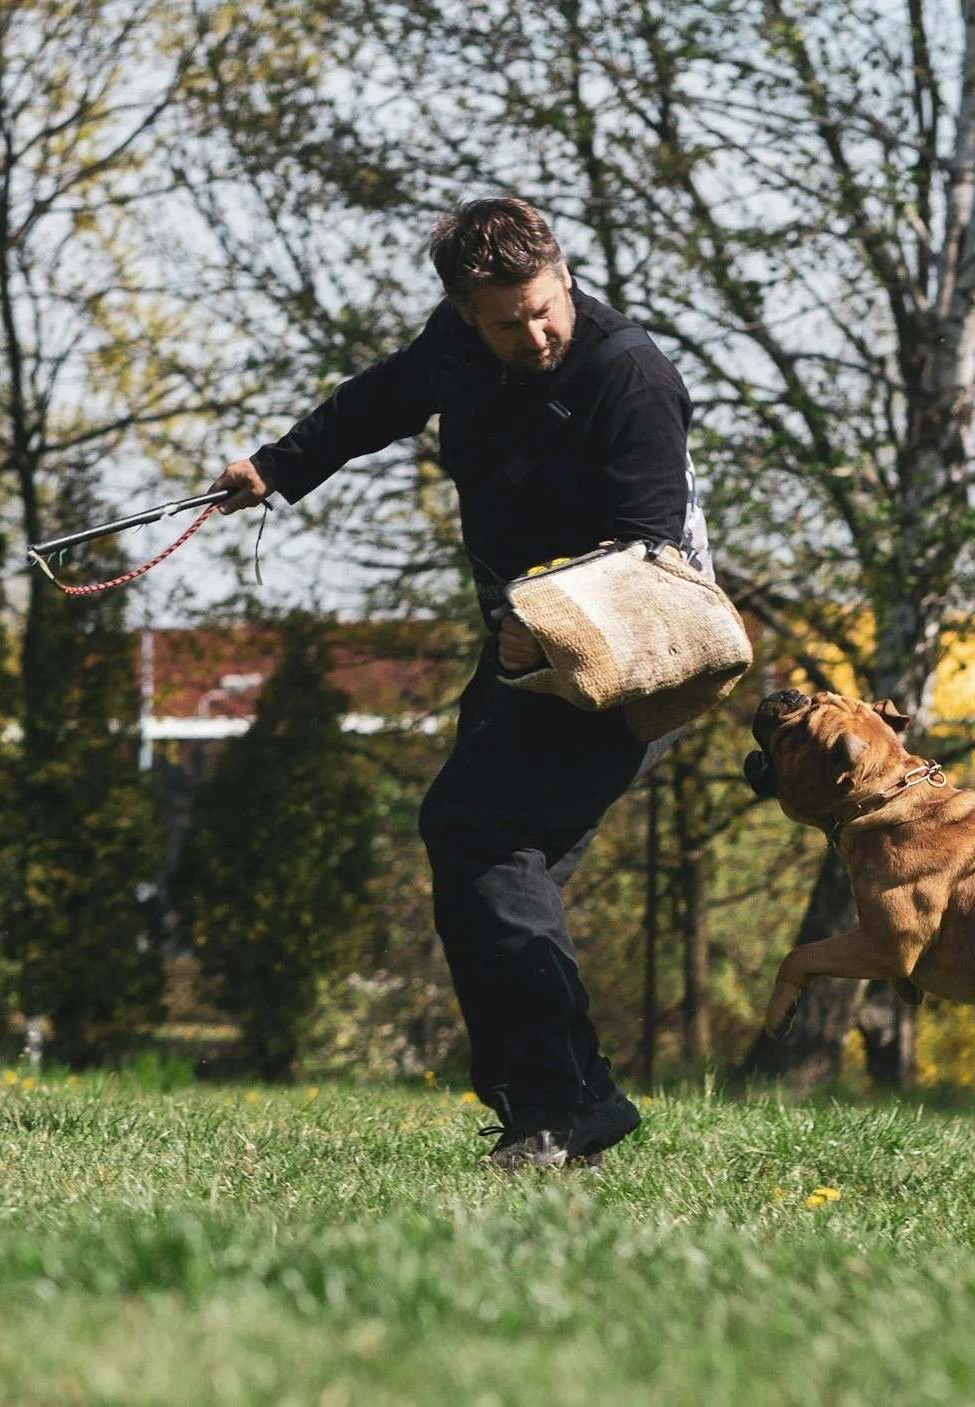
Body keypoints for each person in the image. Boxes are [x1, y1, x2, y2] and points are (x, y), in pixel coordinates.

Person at [210, 197, 704, 1170]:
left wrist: (537, 632)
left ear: (563, 275)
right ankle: (571, 1099)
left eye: (544, 307)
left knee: (480, 836)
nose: (536, 333)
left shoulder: (631, 376)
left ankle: (555, 1113)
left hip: (640, 654)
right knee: (491, 871)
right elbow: (379, 401)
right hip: (529, 646)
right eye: (507, 321)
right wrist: (275, 468)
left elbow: (647, 559)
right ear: (465, 312)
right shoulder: (457, 345)